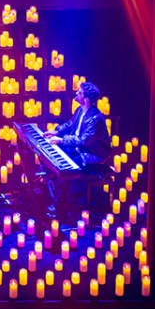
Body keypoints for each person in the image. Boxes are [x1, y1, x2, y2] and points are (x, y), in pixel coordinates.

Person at [43, 81, 111, 218]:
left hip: (93, 153)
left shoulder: (95, 118)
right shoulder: (80, 110)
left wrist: (61, 140)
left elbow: (83, 141)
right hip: (80, 148)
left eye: (79, 92)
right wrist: (57, 131)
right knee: (53, 156)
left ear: (86, 99)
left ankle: (60, 205)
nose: (76, 93)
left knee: (65, 168)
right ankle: (53, 193)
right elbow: (69, 124)